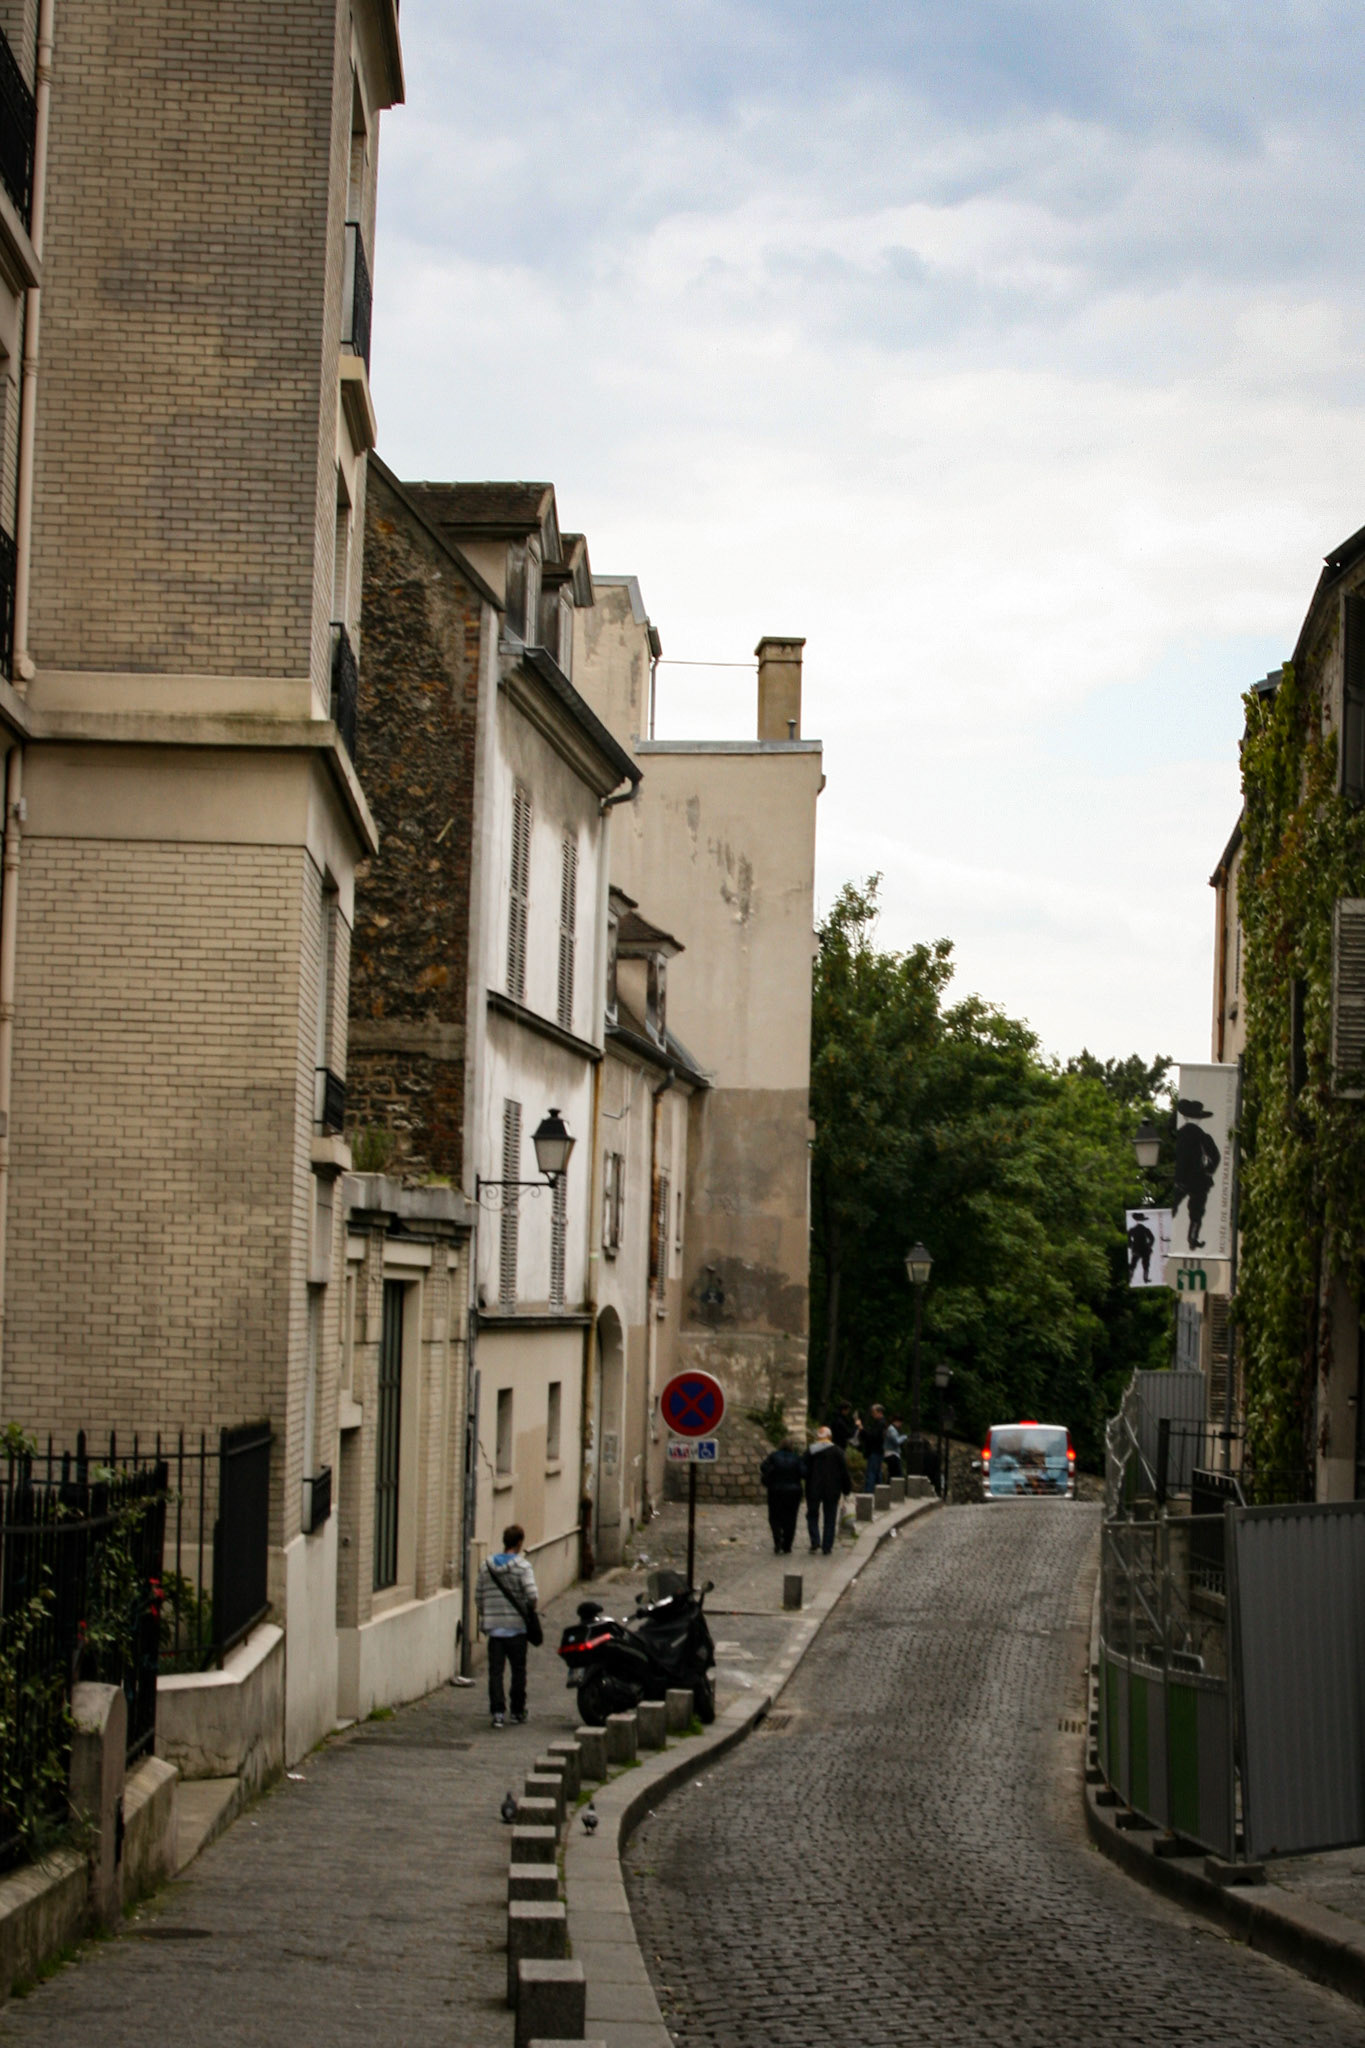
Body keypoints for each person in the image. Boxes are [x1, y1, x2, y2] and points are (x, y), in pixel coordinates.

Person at [476, 1522, 539, 1729]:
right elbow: (532, 1595)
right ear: (519, 1543)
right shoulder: (523, 1567)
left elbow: (478, 1597)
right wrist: (528, 1610)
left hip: (495, 1628)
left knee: (496, 1672)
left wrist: (488, 1614)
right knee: (518, 1671)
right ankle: (517, 1711)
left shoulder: (486, 1567)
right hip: (516, 1628)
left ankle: (497, 1713)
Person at [802, 1425, 852, 1554]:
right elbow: (844, 1473)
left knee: (812, 1515)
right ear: (830, 1437)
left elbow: (802, 1468)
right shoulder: (838, 1452)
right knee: (830, 1518)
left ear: (818, 1437)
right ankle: (827, 1546)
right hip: (832, 1489)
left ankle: (815, 1540)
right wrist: (847, 1489)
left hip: (813, 1488)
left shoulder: (810, 1451)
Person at [759, 1438, 805, 1554]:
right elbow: (804, 1472)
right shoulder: (796, 1458)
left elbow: (763, 1467)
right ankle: (787, 1545)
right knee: (791, 1518)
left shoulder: (773, 1456)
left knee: (774, 1516)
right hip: (793, 1492)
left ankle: (777, 1538)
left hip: (775, 1490)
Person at [859, 1404, 889, 1493]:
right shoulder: (881, 1423)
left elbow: (873, 1436)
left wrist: (862, 1430)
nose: (872, 1414)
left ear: (879, 1412)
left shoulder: (880, 1424)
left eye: (874, 1412)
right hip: (878, 1450)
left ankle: (868, 1493)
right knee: (877, 1473)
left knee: (871, 1473)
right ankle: (879, 1492)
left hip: (875, 1450)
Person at [885, 1415, 905, 1480]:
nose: (900, 1425)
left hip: (891, 1454)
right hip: (893, 1454)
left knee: (892, 1475)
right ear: (897, 1421)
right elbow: (896, 1441)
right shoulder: (892, 1429)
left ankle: (889, 1485)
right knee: (898, 1475)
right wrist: (904, 1437)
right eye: (900, 1423)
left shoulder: (891, 1429)